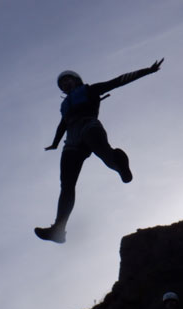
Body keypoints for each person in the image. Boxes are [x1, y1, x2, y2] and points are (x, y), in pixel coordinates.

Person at [35, 58, 164, 243]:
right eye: (62, 84)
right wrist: (55, 143)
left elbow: (117, 81)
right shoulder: (64, 107)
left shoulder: (89, 90)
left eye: (67, 80)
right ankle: (58, 229)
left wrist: (147, 70)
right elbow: (62, 124)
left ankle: (119, 166)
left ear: (76, 80)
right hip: (71, 141)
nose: (65, 84)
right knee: (66, 184)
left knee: (105, 155)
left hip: (89, 126)